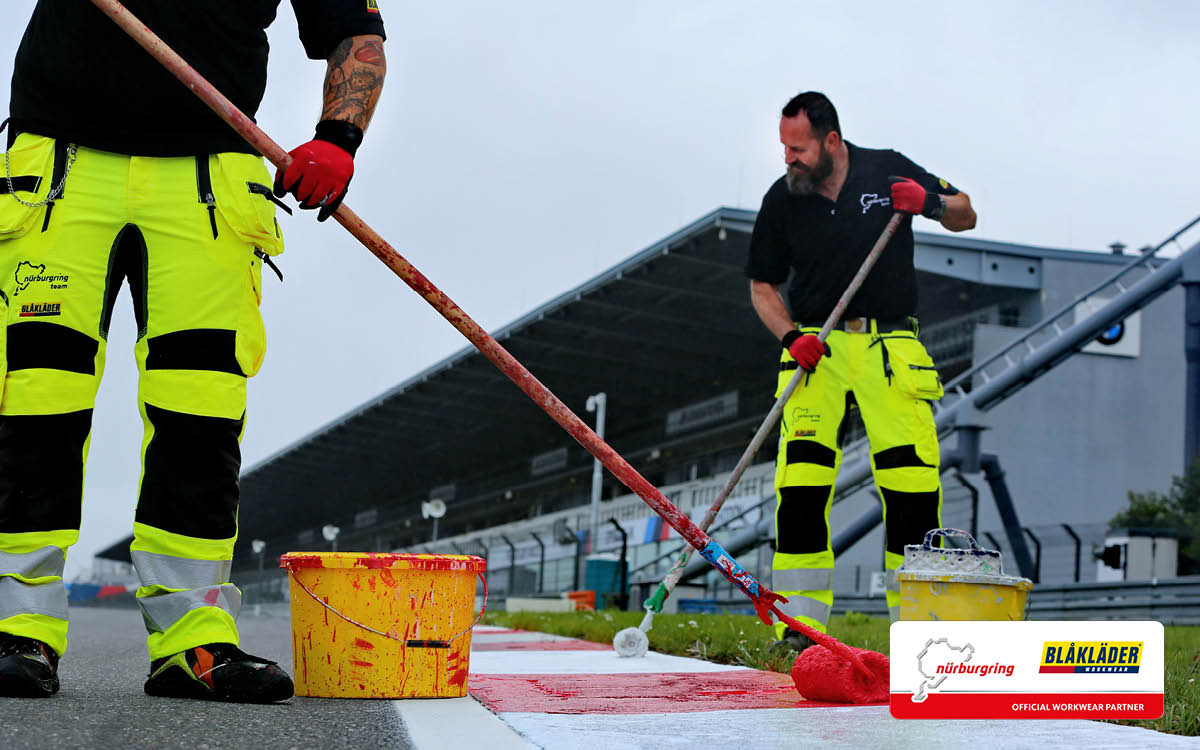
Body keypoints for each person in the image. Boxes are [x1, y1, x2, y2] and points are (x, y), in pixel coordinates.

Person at [0, 1, 386, 701]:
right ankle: (13, 626)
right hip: (59, 167)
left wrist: (338, 138)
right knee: (36, 401)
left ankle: (191, 642)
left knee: (200, 413)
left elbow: (356, 36)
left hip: (210, 180)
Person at [744, 91, 976, 649]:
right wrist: (790, 335)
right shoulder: (782, 199)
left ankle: (919, 629)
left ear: (830, 140)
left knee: (912, 486)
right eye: (783, 147)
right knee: (799, 488)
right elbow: (762, 287)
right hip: (815, 352)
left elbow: (966, 212)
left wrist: (929, 203)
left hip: (889, 347)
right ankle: (800, 628)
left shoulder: (887, 167)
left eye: (797, 148)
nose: (788, 158)